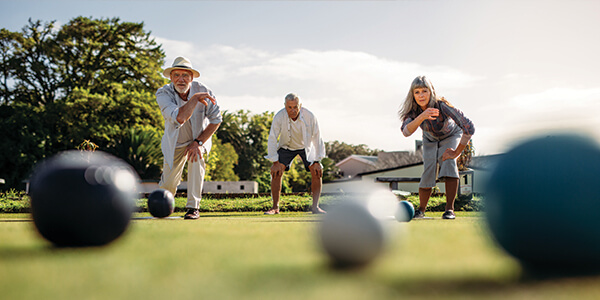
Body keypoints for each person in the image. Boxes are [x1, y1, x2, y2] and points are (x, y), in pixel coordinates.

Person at [399, 76, 475, 219]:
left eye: (424, 91)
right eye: (417, 92)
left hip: (450, 135)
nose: (421, 95)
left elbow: (468, 127)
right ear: (412, 94)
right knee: (428, 169)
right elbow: (406, 132)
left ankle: (449, 210)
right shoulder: (413, 110)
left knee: (448, 162)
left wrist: (457, 152)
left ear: (431, 91)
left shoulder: (441, 105)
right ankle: (421, 211)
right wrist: (422, 116)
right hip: (430, 138)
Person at [156, 57, 222, 219]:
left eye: (185, 75)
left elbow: (216, 120)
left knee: (196, 156)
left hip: (197, 139)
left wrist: (198, 142)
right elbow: (179, 118)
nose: (181, 79)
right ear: (171, 78)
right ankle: (163, 206)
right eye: (176, 75)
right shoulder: (163, 93)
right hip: (175, 142)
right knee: (168, 185)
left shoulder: (205, 91)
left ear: (192, 78)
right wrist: (193, 99)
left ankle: (193, 208)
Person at [264, 93, 326, 215]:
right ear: (285, 106)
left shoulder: (310, 116)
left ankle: (315, 207)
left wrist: (318, 161)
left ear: (300, 106)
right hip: (286, 147)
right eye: (289, 107)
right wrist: (274, 162)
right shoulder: (279, 116)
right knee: (276, 172)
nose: (292, 110)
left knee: (316, 171)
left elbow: (317, 137)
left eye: (295, 107)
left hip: (305, 147)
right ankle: (275, 207)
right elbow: (272, 138)